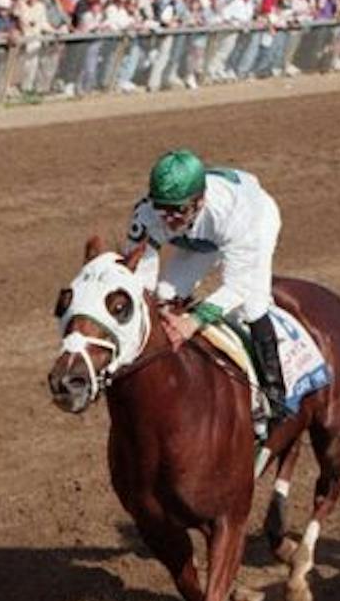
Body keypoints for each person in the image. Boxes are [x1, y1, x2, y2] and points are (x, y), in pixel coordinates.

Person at [123, 149, 290, 428]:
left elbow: (237, 286)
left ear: (200, 200)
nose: (168, 219)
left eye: (179, 210)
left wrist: (194, 320)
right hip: (199, 239)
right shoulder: (147, 215)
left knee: (252, 305)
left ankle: (275, 395)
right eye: (162, 208)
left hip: (253, 223)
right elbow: (141, 277)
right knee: (164, 295)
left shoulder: (233, 213)